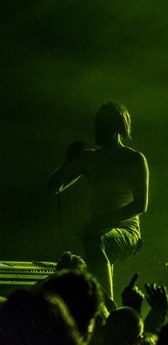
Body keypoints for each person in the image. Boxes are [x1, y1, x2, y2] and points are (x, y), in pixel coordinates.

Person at [48, 102, 149, 303]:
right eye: (97, 124)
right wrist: (69, 161)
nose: (97, 129)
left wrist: (101, 220)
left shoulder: (134, 159)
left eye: (102, 124)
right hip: (96, 231)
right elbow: (53, 188)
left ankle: (106, 307)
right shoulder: (89, 157)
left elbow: (140, 205)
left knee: (94, 239)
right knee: (83, 250)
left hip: (127, 231)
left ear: (117, 127)